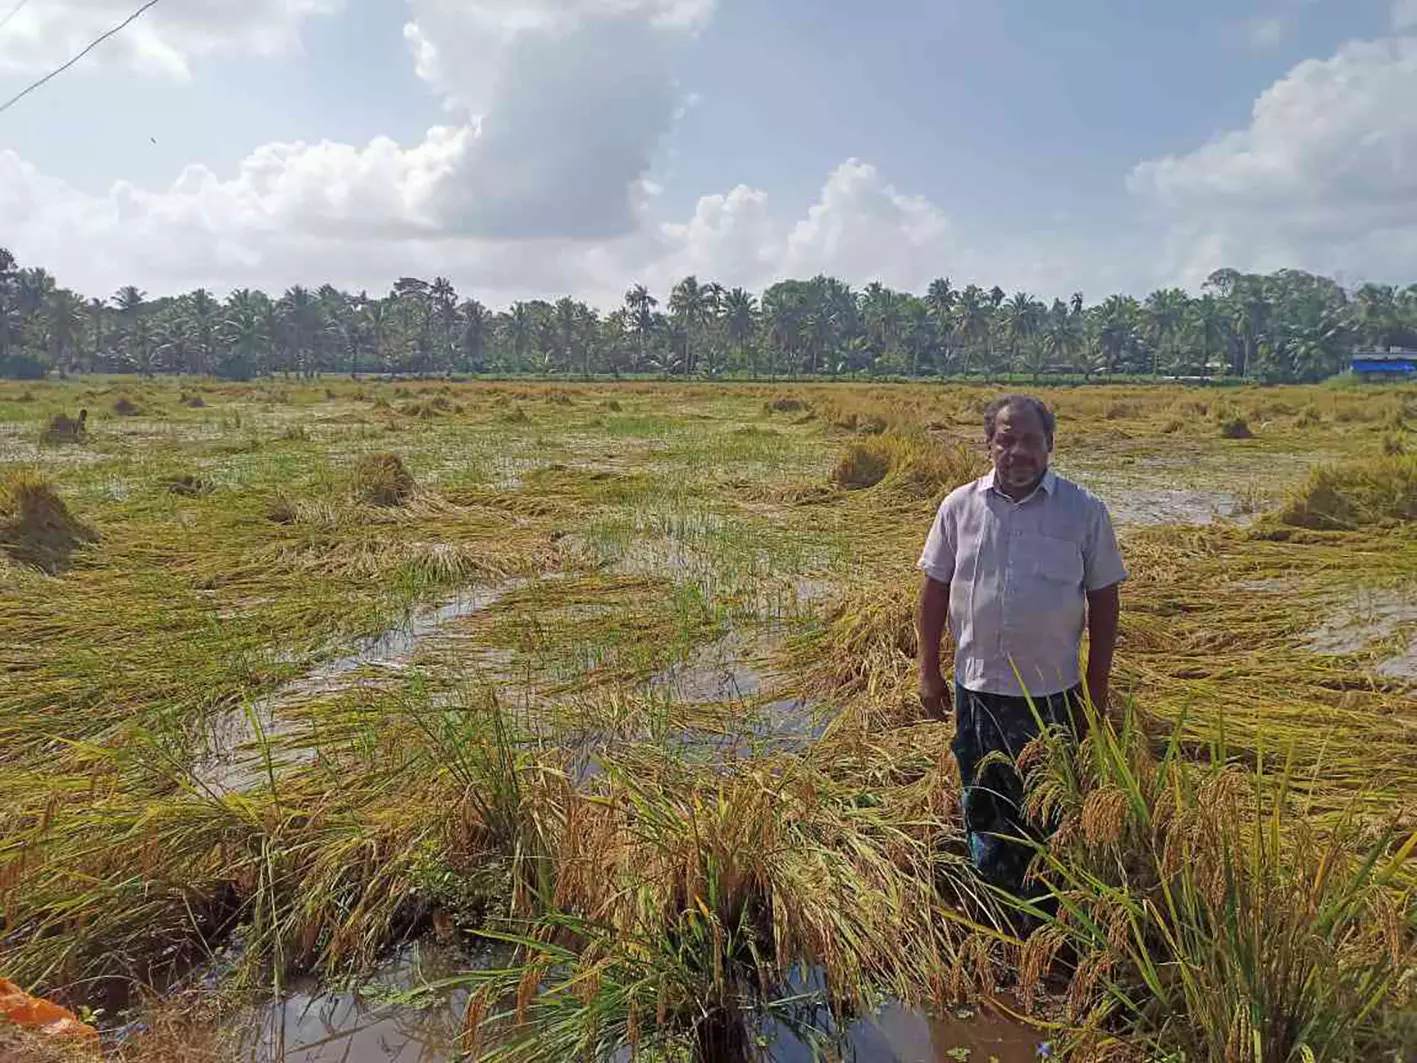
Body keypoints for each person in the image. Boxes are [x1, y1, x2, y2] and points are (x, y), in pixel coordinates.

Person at [916, 395, 1126, 894]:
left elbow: (1105, 602)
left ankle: (1049, 905)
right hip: (978, 692)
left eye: (1030, 440)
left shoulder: (1083, 512)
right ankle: (991, 896)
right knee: (984, 800)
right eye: (1006, 439)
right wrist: (928, 670)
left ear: (1050, 445)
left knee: (1049, 807)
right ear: (989, 444)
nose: (1018, 451)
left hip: (1053, 695)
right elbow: (933, 590)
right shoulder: (959, 507)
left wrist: (1095, 692)